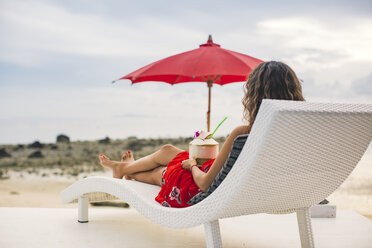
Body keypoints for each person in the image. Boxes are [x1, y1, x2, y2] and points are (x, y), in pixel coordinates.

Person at [99, 61, 305, 208]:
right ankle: (123, 167)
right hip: (242, 188)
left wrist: (193, 165)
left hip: (202, 190)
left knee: (161, 172)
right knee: (168, 151)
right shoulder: (298, 134)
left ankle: (126, 170)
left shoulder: (244, 133)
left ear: (254, 95)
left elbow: (205, 184)